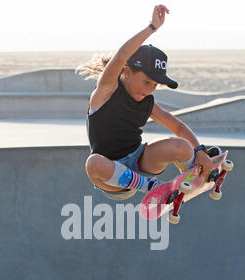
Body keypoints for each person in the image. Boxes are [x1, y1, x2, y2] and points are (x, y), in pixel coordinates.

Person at [78, 4, 220, 201]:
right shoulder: (105, 92)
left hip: (139, 161)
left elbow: (177, 126)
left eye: (154, 85)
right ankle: (150, 186)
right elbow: (121, 56)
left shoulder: (147, 102)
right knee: (93, 163)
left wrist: (199, 150)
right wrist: (152, 27)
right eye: (146, 82)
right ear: (126, 72)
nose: (149, 90)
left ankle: (196, 170)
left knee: (182, 146)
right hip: (112, 178)